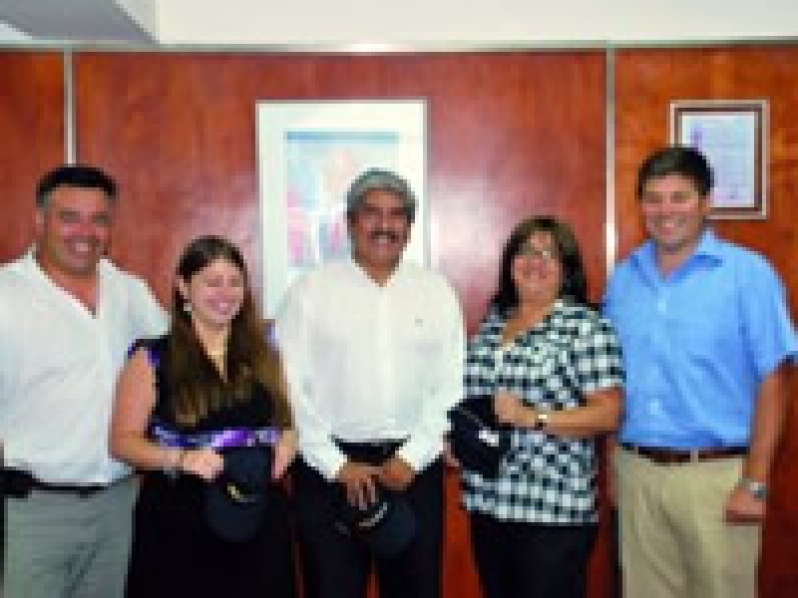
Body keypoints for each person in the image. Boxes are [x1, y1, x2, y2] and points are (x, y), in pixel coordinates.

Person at [603, 145, 798, 598]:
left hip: (717, 477)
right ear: (640, 206)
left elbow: (775, 378)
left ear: (706, 203)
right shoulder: (623, 280)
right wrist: (614, 462)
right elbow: (612, 379)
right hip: (638, 473)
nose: (665, 211)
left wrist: (755, 482)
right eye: (653, 198)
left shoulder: (747, 275)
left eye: (680, 197)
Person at [276, 168, 465, 598]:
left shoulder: (436, 292)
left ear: (409, 228)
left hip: (413, 471)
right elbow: (287, 388)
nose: (384, 225)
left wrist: (412, 457)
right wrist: (335, 464)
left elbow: (451, 385)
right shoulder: (309, 293)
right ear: (350, 222)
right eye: (372, 213)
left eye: (397, 215)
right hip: (329, 473)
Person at [0, 164, 167, 598]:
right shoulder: (6, 295)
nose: (85, 232)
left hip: (118, 507)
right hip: (31, 514)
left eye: (99, 220)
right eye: (69, 217)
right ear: (40, 220)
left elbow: (179, 366)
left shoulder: (130, 291)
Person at [110, 235, 297, 597]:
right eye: (212, 282)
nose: (225, 293)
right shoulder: (152, 357)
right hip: (181, 522)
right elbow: (122, 442)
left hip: (257, 516)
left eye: (234, 282)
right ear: (183, 287)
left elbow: (284, 421)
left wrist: (289, 439)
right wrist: (179, 458)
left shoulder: (266, 353)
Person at [456, 216, 624, 598]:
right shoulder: (492, 325)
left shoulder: (586, 327)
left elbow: (609, 412)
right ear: (510, 262)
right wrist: (461, 441)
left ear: (566, 269)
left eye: (549, 254)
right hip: (489, 505)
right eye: (525, 251)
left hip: (551, 510)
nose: (535, 261)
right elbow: (480, 402)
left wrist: (533, 417)